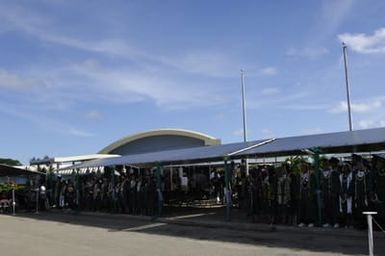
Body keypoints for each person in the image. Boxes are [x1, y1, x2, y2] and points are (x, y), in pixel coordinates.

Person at [321, 157, 341, 228]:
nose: (325, 165)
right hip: (326, 194)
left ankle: (336, 222)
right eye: (324, 164)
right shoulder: (323, 173)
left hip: (333, 194)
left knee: (334, 208)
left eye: (326, 164)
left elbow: (337, 184)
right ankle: (328, 222)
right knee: (327, 208)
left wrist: (335, 192)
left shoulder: (334, 173)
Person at [298, 161, 316, 227]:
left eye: (303, 167)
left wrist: (311, 193)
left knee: (310, 208)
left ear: (307, 167)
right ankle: (302, 221)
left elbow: (313, 185)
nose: (302, 168)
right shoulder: (299, 175)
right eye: (301, 167)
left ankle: (311, 222)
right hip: (302, 193)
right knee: (302, 208)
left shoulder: (311, 174)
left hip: (309, 193)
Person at [339, 163, 354, 228]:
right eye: (343, 167)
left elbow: (352, 186)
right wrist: (342, 194)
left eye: (346, 167)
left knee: (349, 210)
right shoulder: (340, 176)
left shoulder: (351, 176)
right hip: (342, 195)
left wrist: (348, 194)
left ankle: (350, 224)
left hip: (349, 195)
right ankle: (344, 224)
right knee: (343, 209)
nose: (344, 169)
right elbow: (339, 186)